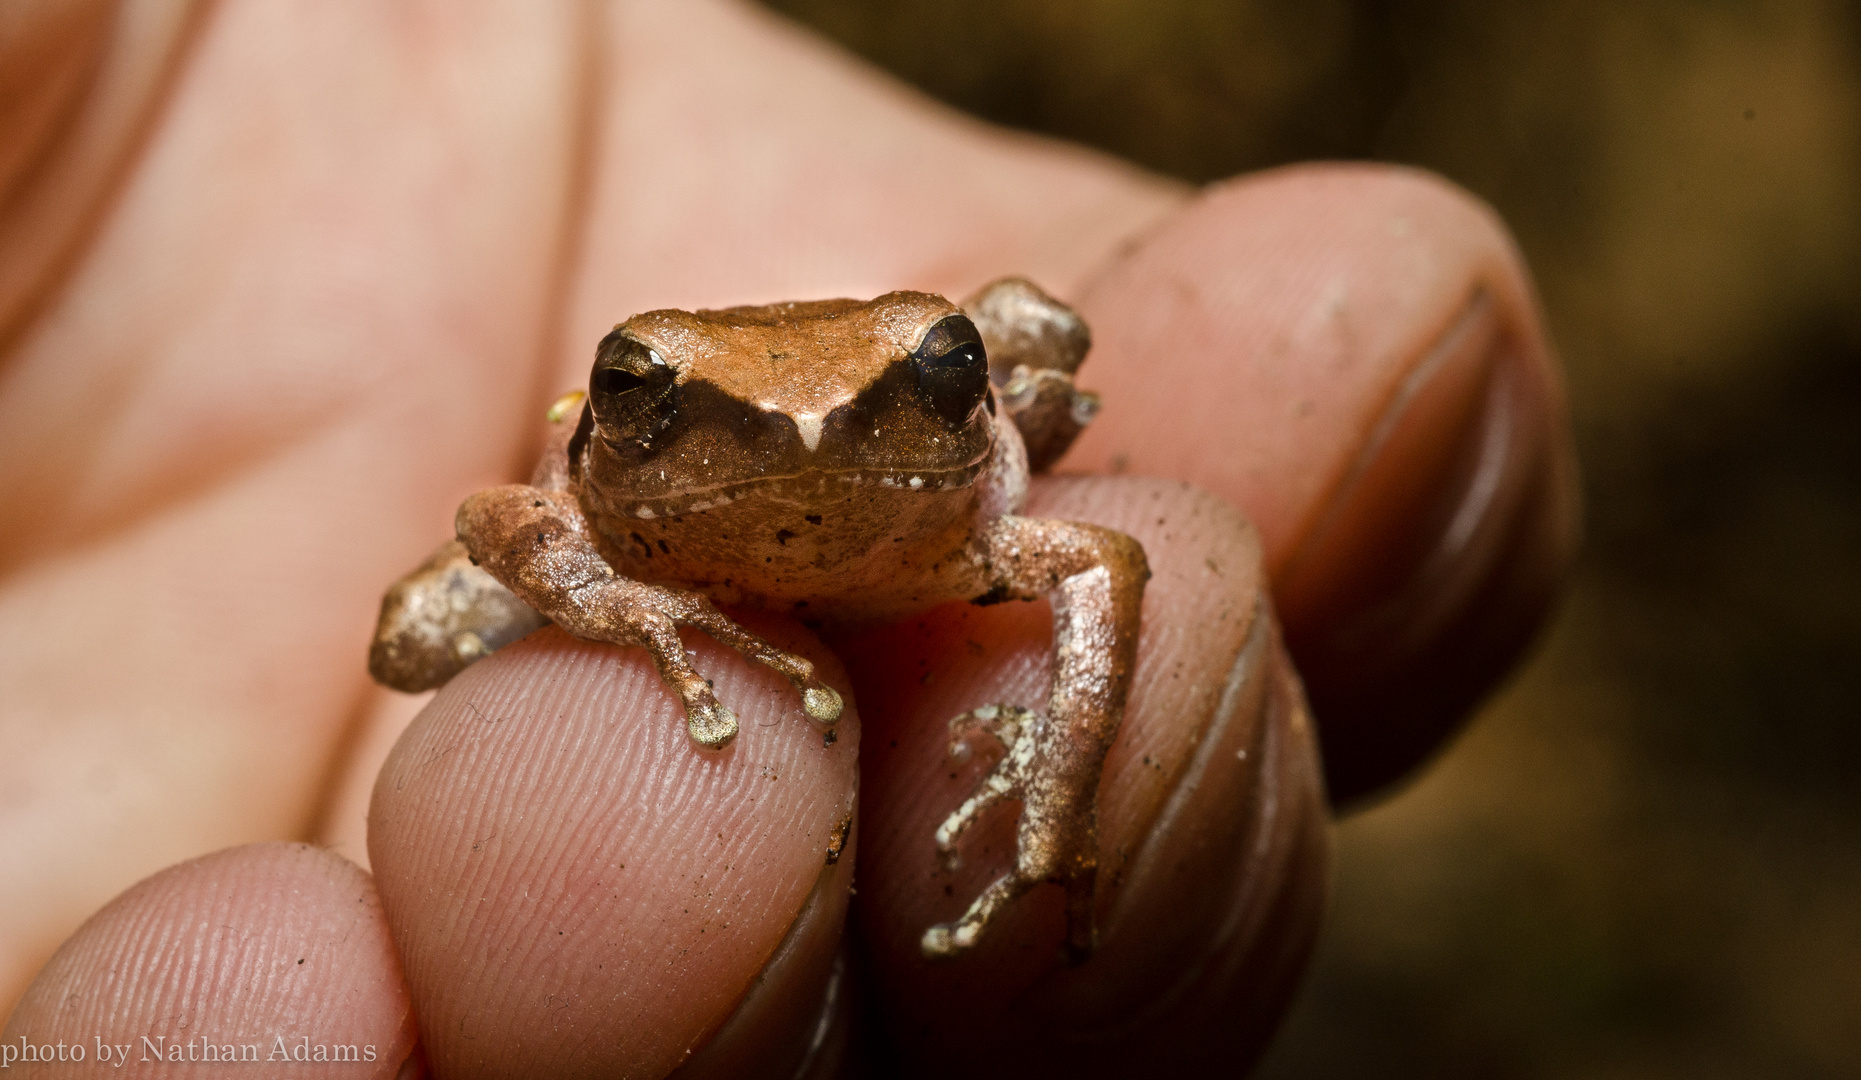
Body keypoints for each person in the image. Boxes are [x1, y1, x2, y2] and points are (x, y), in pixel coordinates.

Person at [0, 1, 1577, 1075]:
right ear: (610, 408)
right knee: (414, 639)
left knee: (1050, 332)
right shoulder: (582, 476)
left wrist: (1059, 780)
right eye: (639, 389)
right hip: (646, 552)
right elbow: (493, 522)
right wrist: (622, 605)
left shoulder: (997, 517)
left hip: (921, 514)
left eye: (935, 375)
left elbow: (1099, 558)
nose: (811, 433)